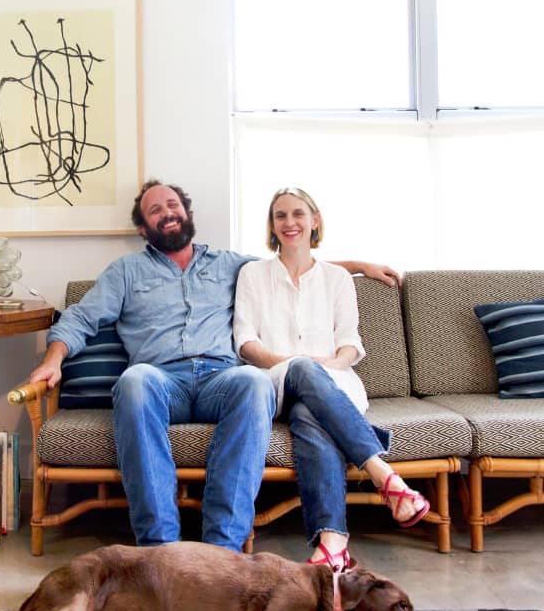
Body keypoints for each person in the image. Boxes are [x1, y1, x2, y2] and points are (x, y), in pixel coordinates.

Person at [30, 179, 403, 553]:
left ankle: (222, 547)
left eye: (173, 205)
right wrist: (53, 360)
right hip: (161, 380)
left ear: (187, 213)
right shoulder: (125, 272)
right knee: (133, 381)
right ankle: (160, 547)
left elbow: (291, 263)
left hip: (220, 379)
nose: (168, 213)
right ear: (144, 228)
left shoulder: (228, 264)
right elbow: (81, 318)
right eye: (155, 210)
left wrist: (359, 266)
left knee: (253, 382)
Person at [233, 186, 429, 571]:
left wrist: (331, 364)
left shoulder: (337, 279)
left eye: (298, 214)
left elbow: (350, 344)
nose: (289, 222)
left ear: (314, 220)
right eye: (280, 216)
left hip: (335, 384)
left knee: (309, 414)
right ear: (271, 226)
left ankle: (333, 544)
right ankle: (384, 474)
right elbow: (245, 342)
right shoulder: (252, 274)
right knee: (303, 369)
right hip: (274, 383)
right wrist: (293, 363)